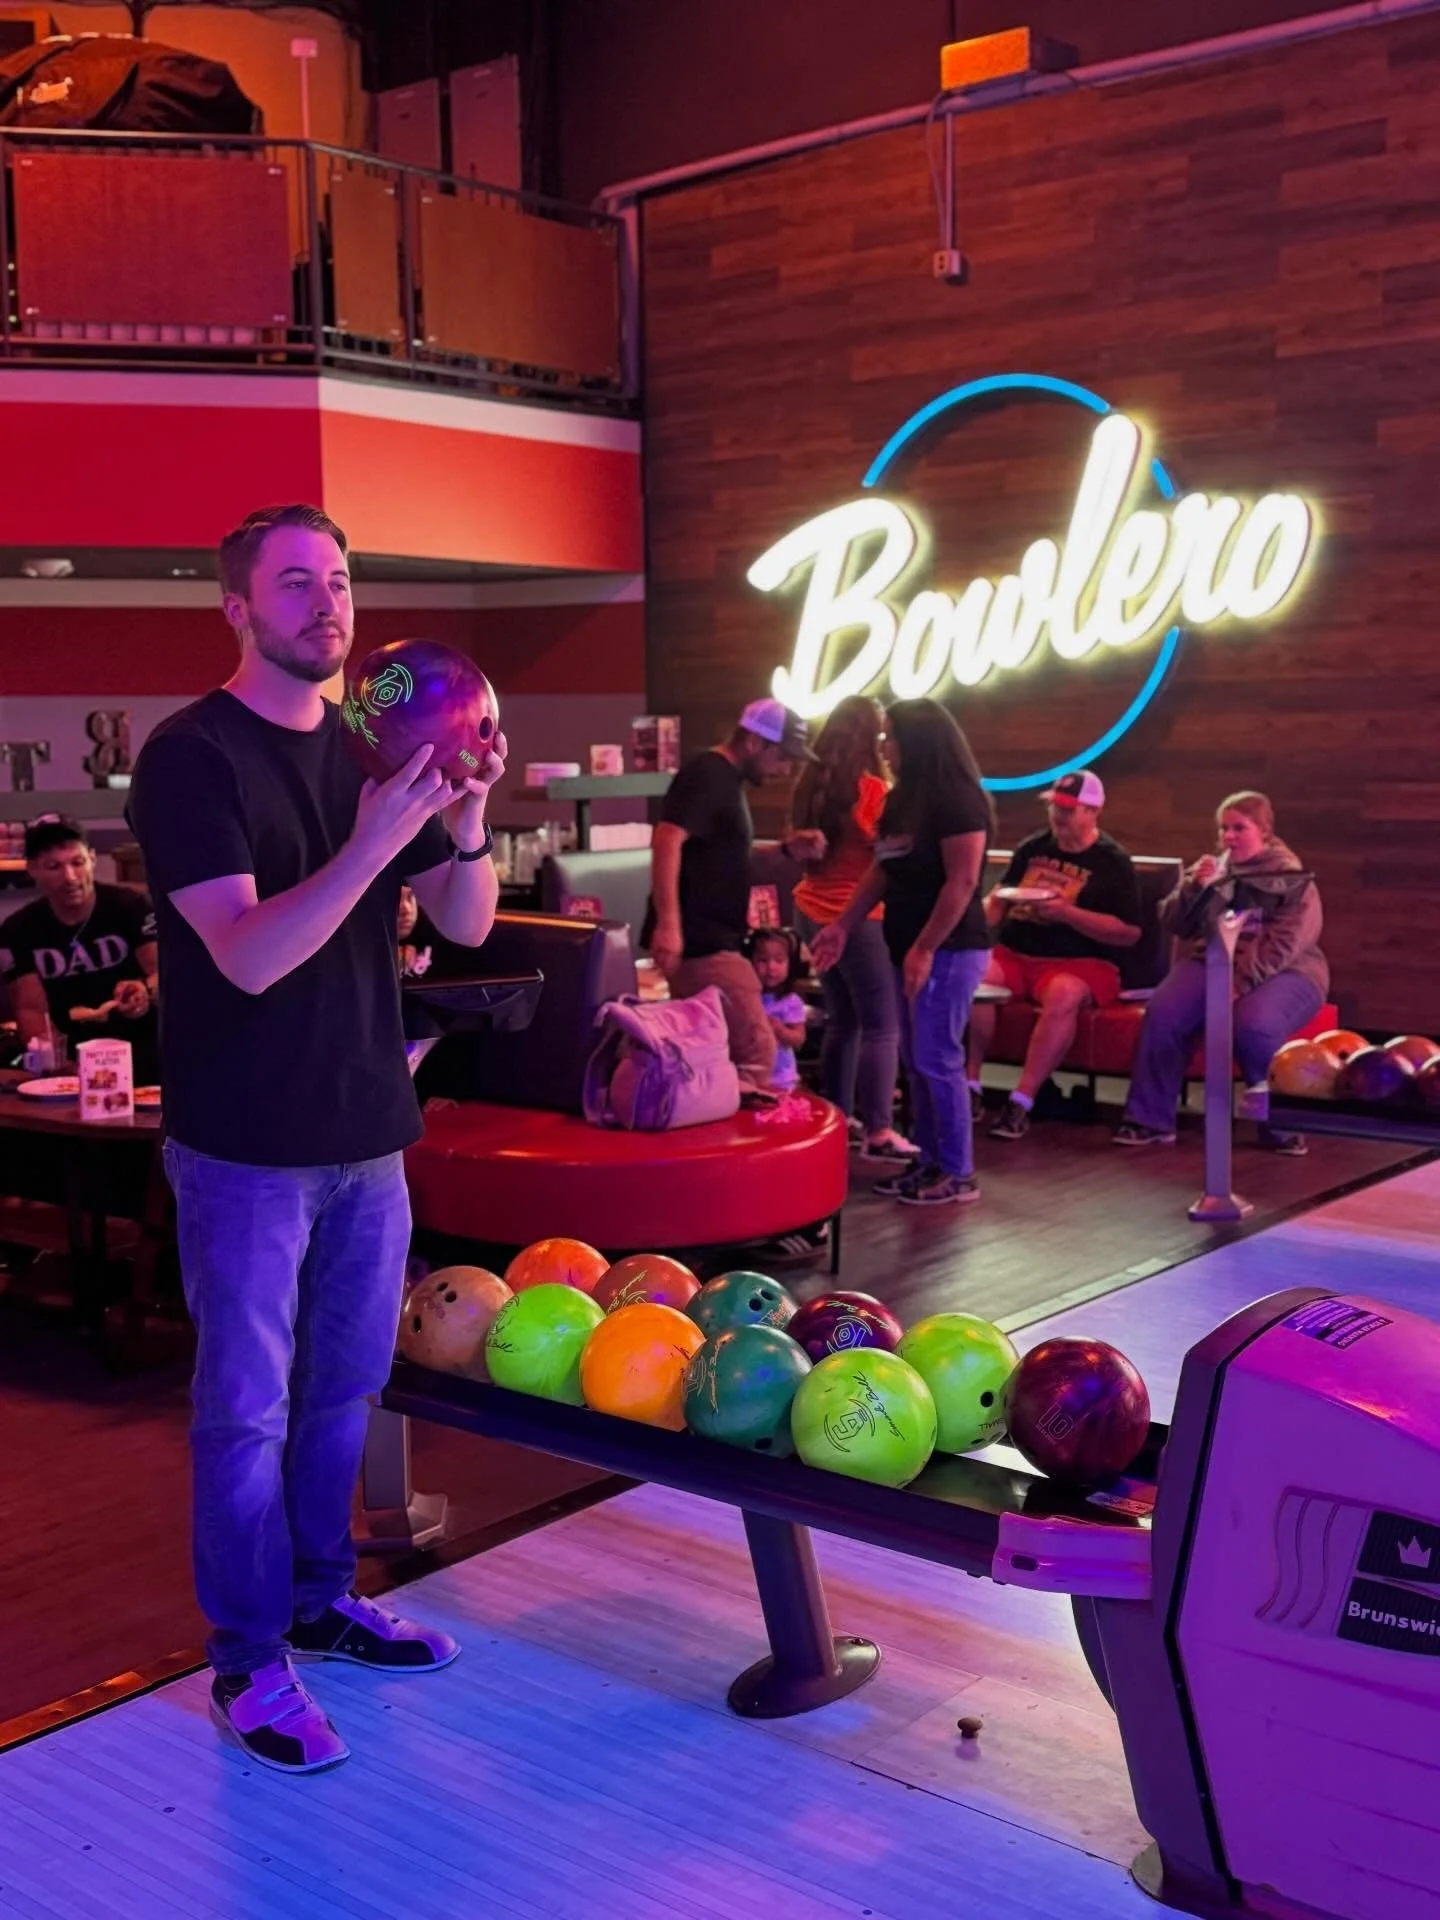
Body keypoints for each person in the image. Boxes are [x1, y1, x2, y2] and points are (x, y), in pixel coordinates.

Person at [126, 503, 507, 1776]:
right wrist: (370, 845)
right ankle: (245, 1664)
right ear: (235, 607)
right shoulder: (192, 757)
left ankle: (317, 1602)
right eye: (295, 583)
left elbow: (461, 925)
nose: (326, 603)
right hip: (245, 1148)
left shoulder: (368, 742)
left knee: (343, 1392)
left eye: (338, 580)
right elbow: (244, 953)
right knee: (244, 1414)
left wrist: (459, 820)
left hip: (366, 1130)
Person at [813, 699, 992, 1208]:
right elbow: (883, 869)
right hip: (907, 944)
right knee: (916, 1059)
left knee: (937, 1058)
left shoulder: (959, 799)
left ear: (918, 741)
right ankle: (931, 1160)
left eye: (891, 736)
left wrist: (924, 948)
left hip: (950, 948)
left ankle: (958, 1173)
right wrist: (843, 926)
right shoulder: (901, 799)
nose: (884, 746)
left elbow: (962, 882)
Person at [1116, 791, 1326, 1154]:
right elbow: (1174, 923)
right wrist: (1193, 888)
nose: (1229, 837)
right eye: (1224, 829)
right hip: (1214, 959)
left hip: (1288, 972)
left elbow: (1285, 943)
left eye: (1239, 828)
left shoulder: (1292, 878)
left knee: (1252, 1024)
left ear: (1264, 831)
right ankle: (1150, 1120)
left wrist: (1238, 981)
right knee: (1165, 1011)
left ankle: (1280, 1124)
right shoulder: (1216, 870)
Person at [646, 696, 819, 1093]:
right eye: (783, 757)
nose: (786, 769)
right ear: (755, 743)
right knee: (757, 1050)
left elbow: (724, 863)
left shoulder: (726, 781)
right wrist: (670, 925)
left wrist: (787, 851)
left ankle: (719, 1139)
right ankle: (741, 1144)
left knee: (718, 1050)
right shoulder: (709, 774)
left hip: (710, 938)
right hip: (702, 942)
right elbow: (667, 840)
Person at [968, 769, 1141, 1142]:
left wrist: (1067, 913)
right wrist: (980, 913)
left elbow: (1129, 932)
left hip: (1081, 963)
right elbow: (1001, 898)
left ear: (1093, 811)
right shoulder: (1033, 848)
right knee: (977, 978)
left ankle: (1022, 1100)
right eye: (1055, 807)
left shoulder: (1112, 861)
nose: (1058, 816)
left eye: (1068, 808)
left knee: (1063, 993)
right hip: (1017, 953)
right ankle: (970, 1085)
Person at [790, 695, 915, 1163]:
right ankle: (880, 1129)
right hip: (856, 919)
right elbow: (888, 849)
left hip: (809, 908)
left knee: (845, 1020)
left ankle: (837, 1120)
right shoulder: (872, 792)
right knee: (883, 1026)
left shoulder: (811, 784)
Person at [0, 814, 160, 1081]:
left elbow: (163, 973)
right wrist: (55, 1065)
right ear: (32, 870)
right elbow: (30, 1009)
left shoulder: (130, 907)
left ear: (93, 859)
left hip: (147, 1051)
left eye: (78, 862)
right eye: (53, 866)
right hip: (72, 1060)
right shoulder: (17, 930)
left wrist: (144, 990)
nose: (70, 877)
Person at [747, 926, 808, 1093]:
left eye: (779, 961)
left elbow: (799, 1039)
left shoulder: (791, 1001)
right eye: (763, 960)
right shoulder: (747, 997)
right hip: (751, 1074)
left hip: (782, 1077)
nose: (771, 967)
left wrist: (779, 1030)